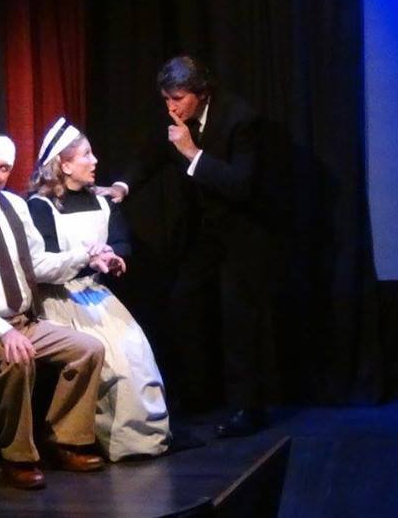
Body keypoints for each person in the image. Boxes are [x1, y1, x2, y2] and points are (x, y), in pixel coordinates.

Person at [0, 133, 123, 489]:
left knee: (89, 349)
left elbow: (39, 264)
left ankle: (64, 440)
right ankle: (18, 457)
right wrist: (4, 332)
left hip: (23, 323)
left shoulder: (15, 207)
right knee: (17, 358)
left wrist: (86, 257)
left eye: (4, 168)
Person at [98, 55, 271, 438]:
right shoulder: (179, 118)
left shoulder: (241, 119)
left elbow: (242, 186)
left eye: (178, 99)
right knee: (184, 303)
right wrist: (123, 187)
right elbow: (152, 155)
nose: (171, 108)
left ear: (202, 93)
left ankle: (247, 408)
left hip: (243, 236)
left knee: (239, 320)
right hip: (206, 235)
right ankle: (197, 394)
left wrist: (193, 152)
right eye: (166, 100)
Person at [27, 117, 172, 461]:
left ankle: (145, 440)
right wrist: (87, 258)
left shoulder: (103, 201)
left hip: (96, 294)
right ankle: (115, 441)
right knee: (112, 361)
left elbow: (121, 242)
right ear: (64, 165)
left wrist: (115, 258)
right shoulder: (40, 207)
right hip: (60, 298)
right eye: (86, 155)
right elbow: (44, 263)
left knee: (138, 354)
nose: (95, 161)